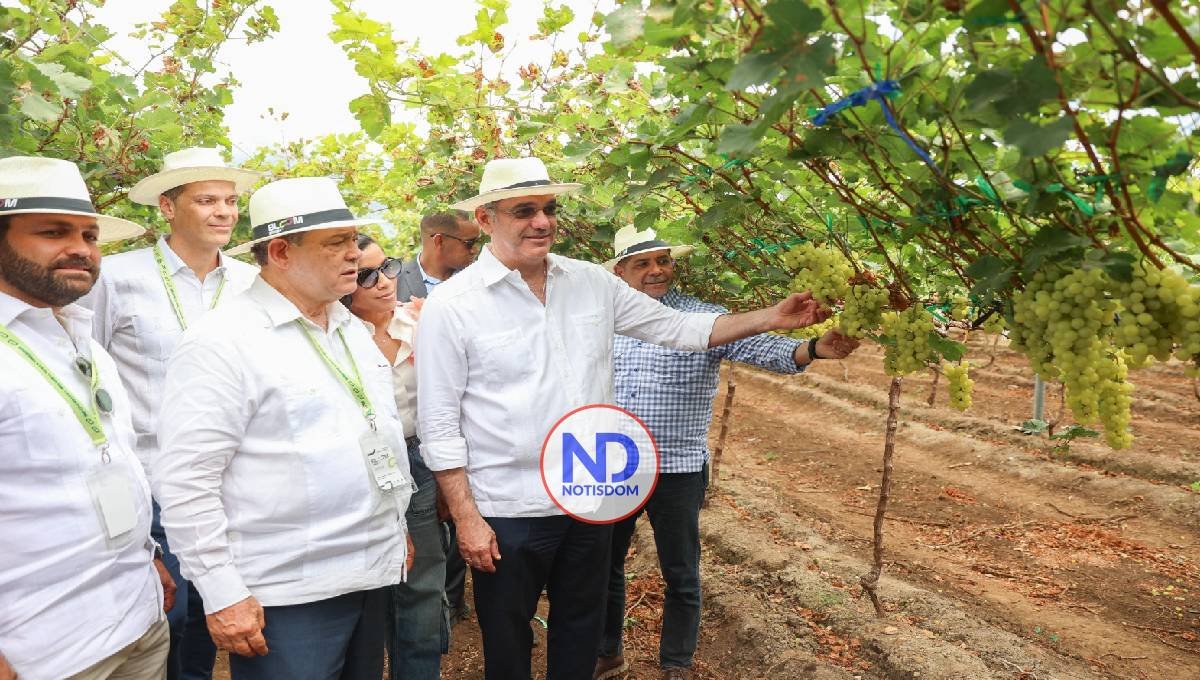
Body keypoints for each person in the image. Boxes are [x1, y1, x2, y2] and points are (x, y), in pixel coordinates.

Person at [416, 157, 833, 680]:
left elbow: (679, 328)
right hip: (508, 505)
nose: (542, 222)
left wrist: (771, 317)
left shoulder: (590, 282)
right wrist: (466, 516)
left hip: (588, 495)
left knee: (580, 627)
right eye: (524, 211)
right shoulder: (453, 305)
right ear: (485, 219)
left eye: (549, 209)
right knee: (507, 634)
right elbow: (438, 421)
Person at [153, 177, 414, 680]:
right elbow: (186, 481)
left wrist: (393, 529)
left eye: (352, 239)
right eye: (335, 243)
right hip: (288, 593)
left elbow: (376, 434)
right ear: (280, 252)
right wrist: (223, 592)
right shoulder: (223, 342)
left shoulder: (347, 327)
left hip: (369, 572)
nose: (354, 255)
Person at [595, 226, 861, 680]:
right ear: (619, 272)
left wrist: (813, 349)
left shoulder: (704, 318)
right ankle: (607, 653)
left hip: (676, 467)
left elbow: (761, 347)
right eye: (643, 263)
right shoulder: (601, 320)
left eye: (664, 260)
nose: (657, 270)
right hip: (611, 464)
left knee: (681, 571)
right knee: (604, 566)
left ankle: (676, 663)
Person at [85, 147, 262, 680]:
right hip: (156, 482)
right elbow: (86, 373)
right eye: (206, 200)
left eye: (230, 201)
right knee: (174, 616)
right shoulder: (116, 277)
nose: (224, 212)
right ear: (167, 206)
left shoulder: (252, 282)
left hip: (240, 480)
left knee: (225, 608)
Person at [0, 156, 173, 680]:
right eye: (53, 232)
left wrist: (148, 557)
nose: (81, 248)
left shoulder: (84, 340)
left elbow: (110, 462)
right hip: (45, 652)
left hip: (138, 622)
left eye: (90, 235)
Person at [345, 234, 448, 680]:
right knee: (371, 586)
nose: (385, 282)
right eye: (366, 276)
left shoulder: (421, 322)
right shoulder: (336, 337)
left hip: (418, 460)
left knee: (422, 581)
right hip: (360, 468)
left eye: (386, 267)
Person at [395, 209, 482, 626]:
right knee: (429, 515)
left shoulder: (480, 285)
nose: (476, 252)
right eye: (470, 243)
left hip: (470, 418)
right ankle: (432, 607)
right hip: (415, 421)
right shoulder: (392, 283)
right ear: (439, 241)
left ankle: (458, 598)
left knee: (466, 506)